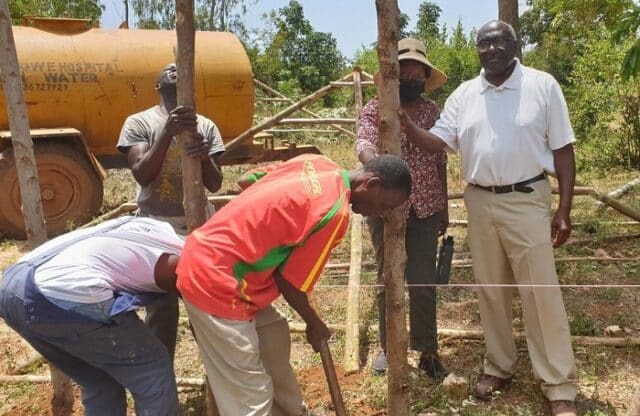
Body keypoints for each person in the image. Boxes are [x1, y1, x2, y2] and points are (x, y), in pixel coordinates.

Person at [396, 20, 579, 416]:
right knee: (491, 289)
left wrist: (564, 209)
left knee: (539, 292)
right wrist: (405, 123)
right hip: (479, 201)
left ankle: (558, 384)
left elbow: (563, 150)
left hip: (527, 198)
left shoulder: (542, 86)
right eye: (484, 43)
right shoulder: (465, 94)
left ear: (515, 45)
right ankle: (499, 365)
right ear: (476, 49)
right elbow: (437, 142)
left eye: (500, 41)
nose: (492, 48)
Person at [177, 153, 412, 416]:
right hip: (218, 281)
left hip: (226, 266)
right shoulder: (334, 213)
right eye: (384, 205)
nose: (381, 213)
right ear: (371, 184)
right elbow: (289, 282)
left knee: (273, 336)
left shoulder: (316, 163)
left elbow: (247, 180)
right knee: (249, 396)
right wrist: (314, 323)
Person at [0, 217, 184, 416]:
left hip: (13, 286)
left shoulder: (149, 229)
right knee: (151, 369)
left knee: (101, 382)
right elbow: (189, 284)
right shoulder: (180, 259)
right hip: (65, 292)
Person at [116, 63, 225, 360]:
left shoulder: (206, 126)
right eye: (167, 69)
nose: (174, 68)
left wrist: (203, 154)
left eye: (179, 67)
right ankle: (161, 385)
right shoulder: (139, 122)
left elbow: (214, 183)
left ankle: (218, 384)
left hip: (199, 229)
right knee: (162, 311)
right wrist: (167, 132)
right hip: (156, 228)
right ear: (157, 85)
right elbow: (142, 173)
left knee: (207, 310)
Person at [357, 37, 449, 379]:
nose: (411, 80)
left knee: (423, 281)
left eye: (416, 75)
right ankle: (387, 346)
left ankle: (427, 350)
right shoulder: (373, 108)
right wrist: (380, 167)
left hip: (425, 208)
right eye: (403, 74)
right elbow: (363, 144)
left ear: (424, 78)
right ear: (391, 77)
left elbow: (438, 156)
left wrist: (444, 208)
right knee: (387, 276)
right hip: (384, 207)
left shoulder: (431, 112)